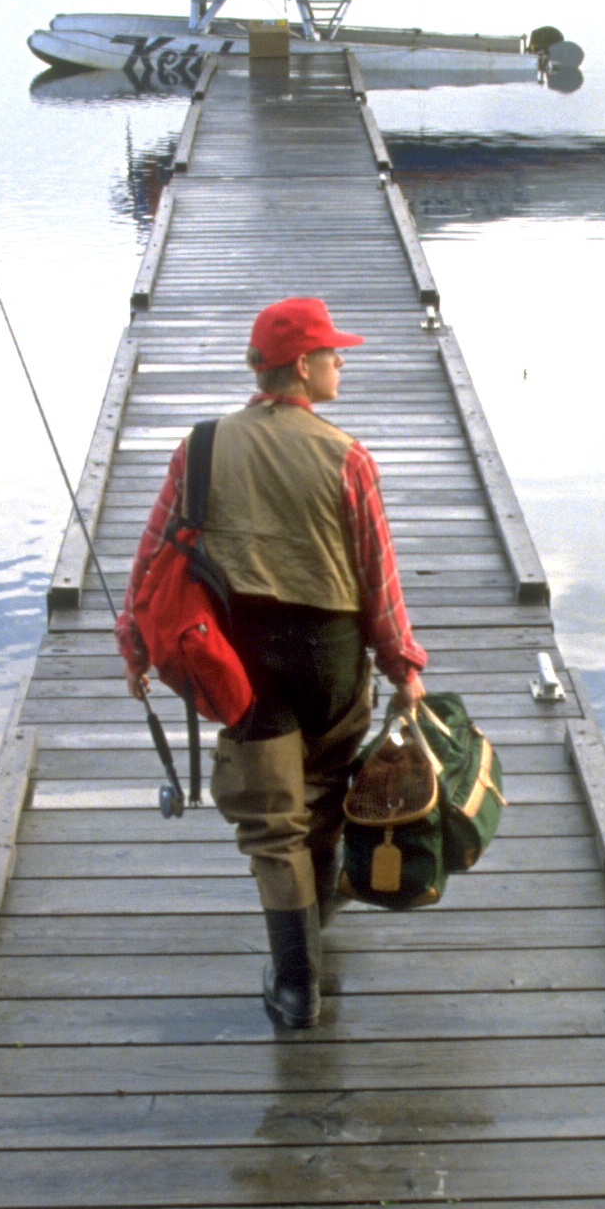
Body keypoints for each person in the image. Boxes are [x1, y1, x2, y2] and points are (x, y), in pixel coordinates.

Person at [117, 296, 427, 1029]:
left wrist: (134, 648)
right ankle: (314, 933)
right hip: (332, 661)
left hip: (243, 662)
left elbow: (151, 559)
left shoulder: (199, 447)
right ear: (299, 366)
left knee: (272, 827)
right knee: (322, 799)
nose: (340, 361)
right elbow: (377, 577)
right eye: (331, 352)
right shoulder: (347, 455)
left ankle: (295, 988)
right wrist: (402, 666)